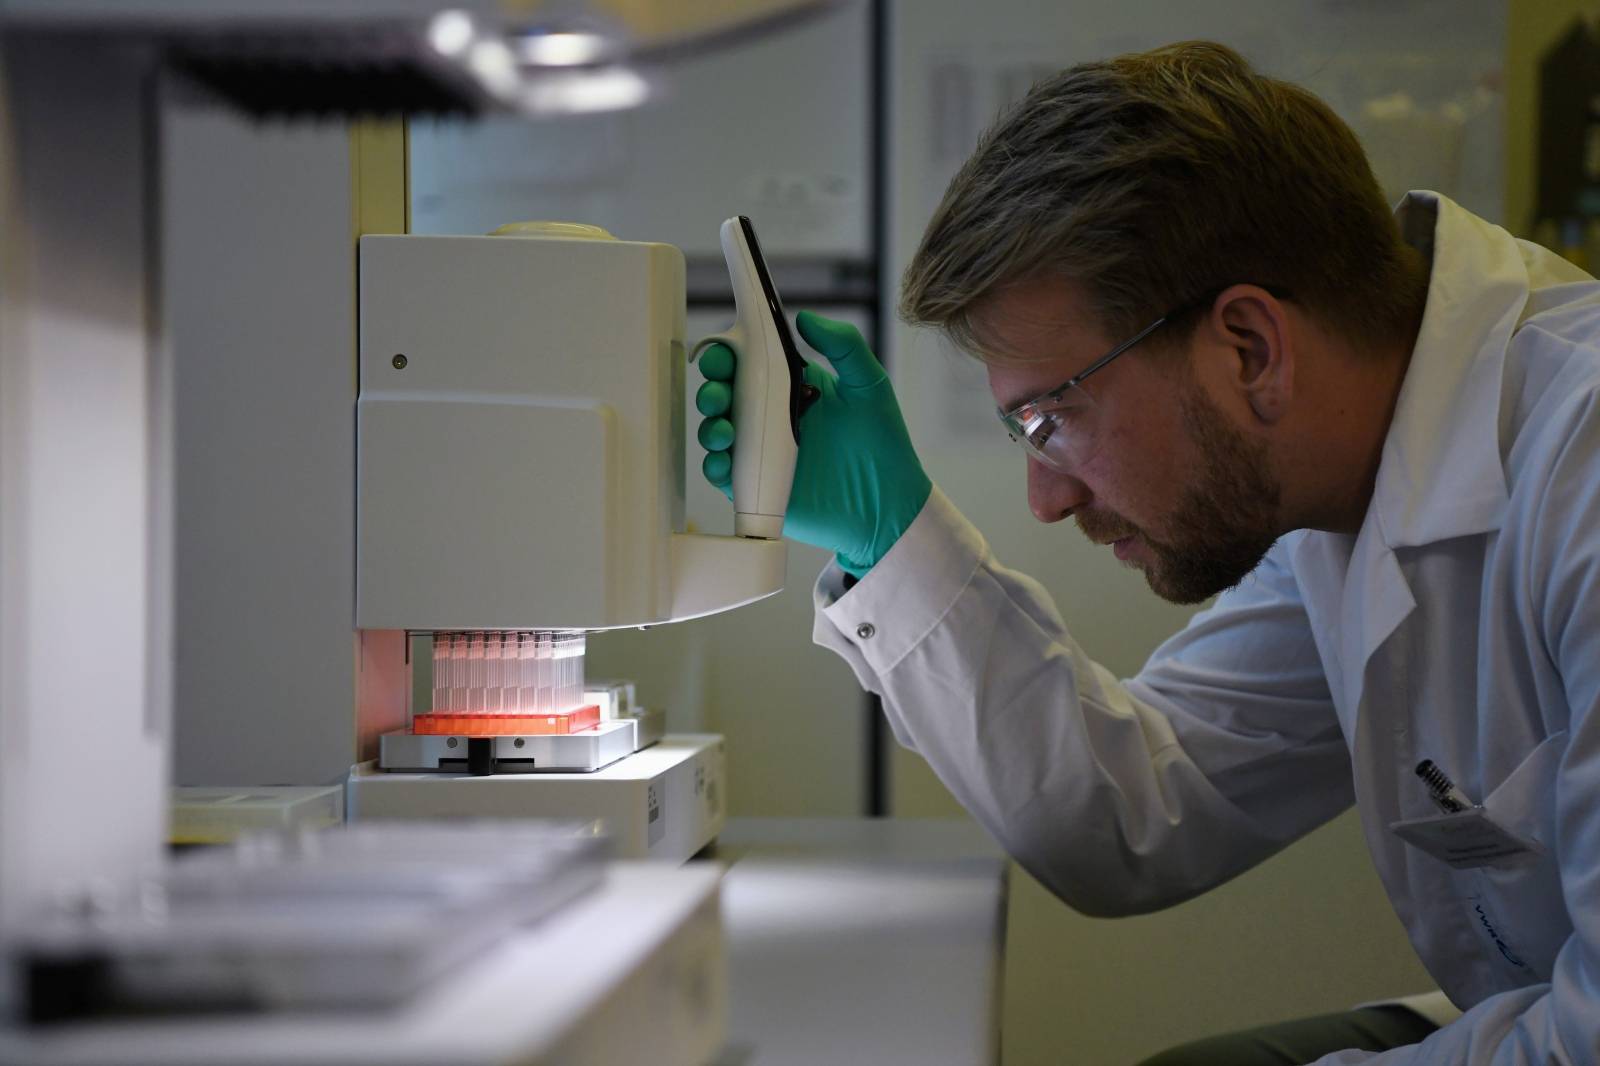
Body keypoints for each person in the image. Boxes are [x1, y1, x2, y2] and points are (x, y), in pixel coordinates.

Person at [694, 40, 1600, 1064]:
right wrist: (891, 537)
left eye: (1050, 419)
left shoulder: (1580, 465)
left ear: (1248, 348)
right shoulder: (1342, 497)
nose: (1046, 497)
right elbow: (1134, 811)